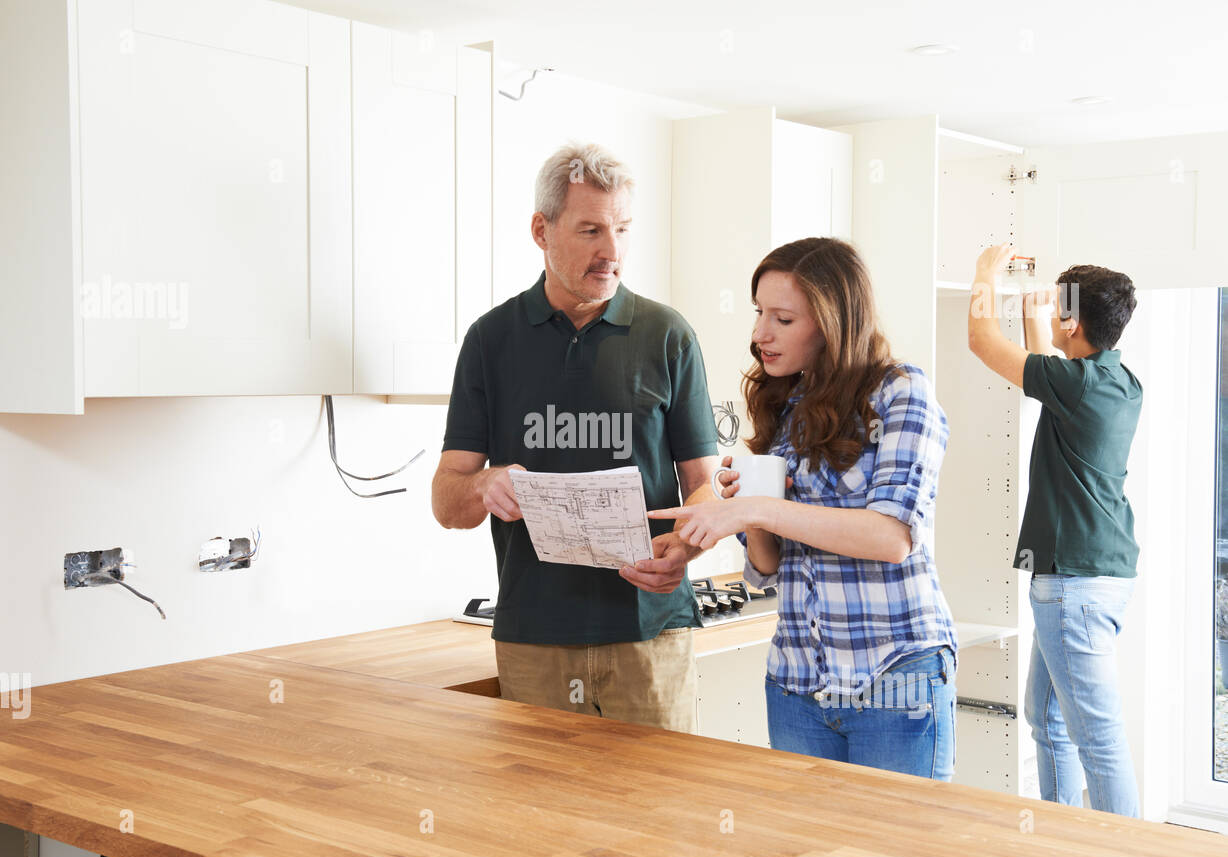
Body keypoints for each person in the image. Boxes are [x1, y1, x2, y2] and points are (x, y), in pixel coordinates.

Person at [432, 143, 720, 732]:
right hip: (535, 640)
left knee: (658, 814)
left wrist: (687, 547)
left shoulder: (669, 336)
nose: (611, 252)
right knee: (542, 819)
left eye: (622, 229)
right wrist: (485, 484)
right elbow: (446, 501)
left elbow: (706, 490)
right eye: (590, 230)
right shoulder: (490, 341)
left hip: (651, 636)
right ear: (542, 230)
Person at [650, 237, 958, 779]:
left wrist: (759, 512)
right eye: (758, 313)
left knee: (895, 855)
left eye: (782, 318)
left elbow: (890, 537)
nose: (759, 334)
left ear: (832, 321)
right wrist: (744, 505)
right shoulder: (785, 405)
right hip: (798, 684)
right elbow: (768, 566)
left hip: (893, 678)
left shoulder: (900, 393)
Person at [966, 242, 1142, 817]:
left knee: (1098, 738)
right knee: (1047, 720)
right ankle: (1065, 837)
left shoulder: (1079, 384)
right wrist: (1037, 319)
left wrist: (984, 276)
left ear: (1073, 321)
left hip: (1073, 585)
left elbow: (981, 344)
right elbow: (1049, 376)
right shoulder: (1116, 380)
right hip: (1095, 575)